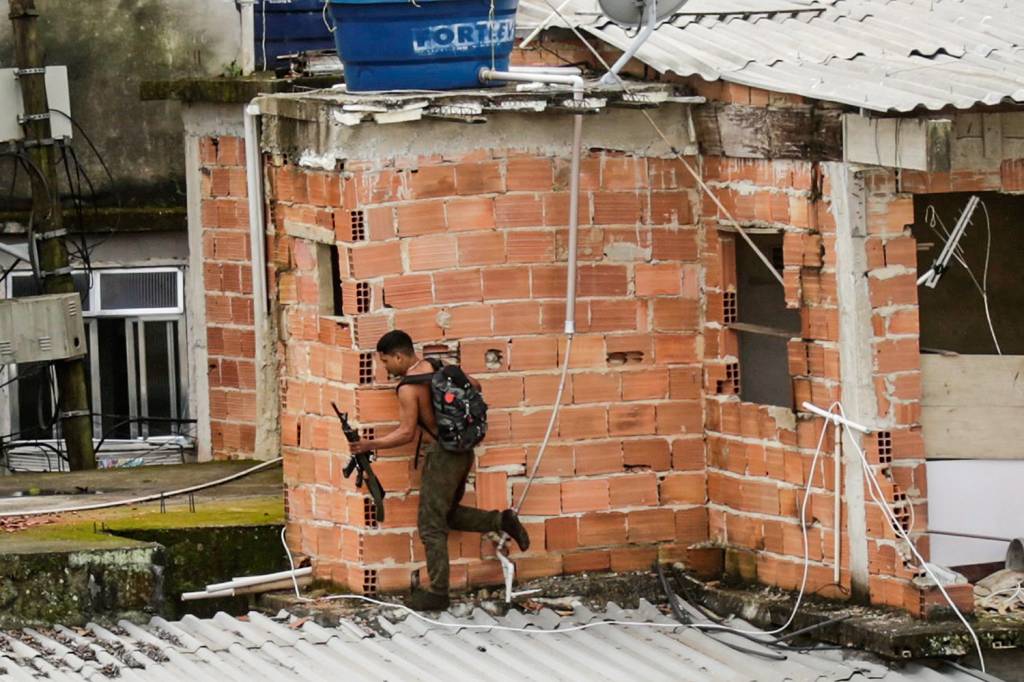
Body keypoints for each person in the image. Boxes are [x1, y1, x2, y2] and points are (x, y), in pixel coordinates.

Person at [348, 330, 530, 611]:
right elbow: (476, 386)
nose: (385, 369)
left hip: (442, 456)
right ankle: (502, 521)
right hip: (463, 450)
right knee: (449, 514)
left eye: (386, 362)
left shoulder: (408, 388)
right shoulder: (437, 367)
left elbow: (407, 433)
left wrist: (368, 444)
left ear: (399, 356)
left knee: (431, 525)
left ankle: (438, 593)